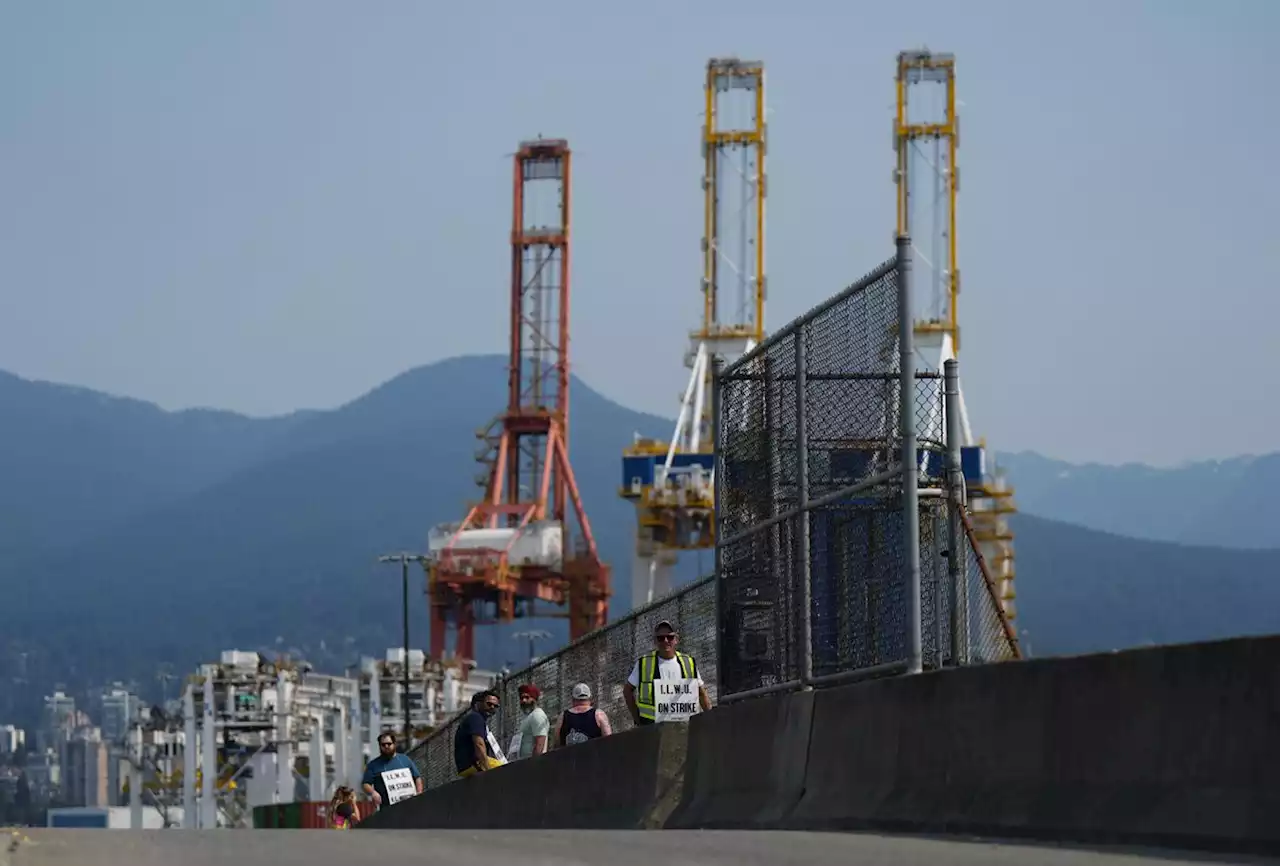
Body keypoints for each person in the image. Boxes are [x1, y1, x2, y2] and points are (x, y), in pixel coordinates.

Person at [623, 619, 712, 726]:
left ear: (676, 640)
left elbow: (701, 692)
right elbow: (627, 690)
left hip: (684, 728)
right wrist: (637, 720)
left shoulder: (688, 662)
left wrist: (710, 720)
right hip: (652, 729)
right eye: (660, 638)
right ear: (655, 641)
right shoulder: (644, 663)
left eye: (670, 637)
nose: (665, 641)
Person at [360, 733, 422, 810]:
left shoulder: (405, 760)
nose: (386, 746)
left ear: (394, 744)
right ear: (380, 746)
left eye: (389, 744)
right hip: (387, 808)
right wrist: (373, 793)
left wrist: (419, 793)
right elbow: (366, 784)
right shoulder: (373, 765)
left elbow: (417, 777)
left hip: (409, 806)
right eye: (383, 745)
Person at [454, 689, 506, 777]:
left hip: (465, 767)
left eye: (495, 706)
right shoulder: (475, 718)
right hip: (474, 763)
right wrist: (488, 770)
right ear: (477, 704)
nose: (492, 707)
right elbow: (479, 744)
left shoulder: (474, 719)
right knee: (507, 770)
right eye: (489, 704)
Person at [557, 682, 612, 747]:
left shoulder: (563, 717)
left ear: (573, 699)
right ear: (590, 699)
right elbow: (609, 741)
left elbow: (557, 744)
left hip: (569, 756)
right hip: (593, 756)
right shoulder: (599, 715)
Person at [509, 683, 549, 760]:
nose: (524, 700)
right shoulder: (528, 717)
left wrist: (532, 765)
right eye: (521, 698)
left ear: (534, 699)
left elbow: (540, 743)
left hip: (532, 765)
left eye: (527, 697)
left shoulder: (537, 715)